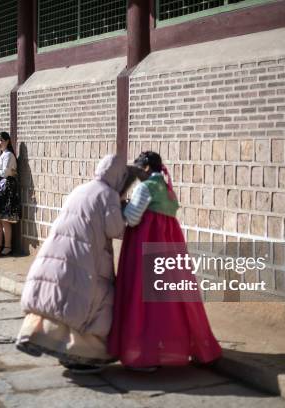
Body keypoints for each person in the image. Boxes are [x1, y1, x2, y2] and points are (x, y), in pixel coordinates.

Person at [108, 151, 222, 370]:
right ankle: (168, 348)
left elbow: (133, 218)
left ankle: (143, 354)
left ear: (147, 168)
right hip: (168, 249)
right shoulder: (168, 190)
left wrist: (121, 205)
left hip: (144, 247)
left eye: (138, 169)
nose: (137, 174)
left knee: (141, 299)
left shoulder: (146, 187)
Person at [16, 154, 128, 374]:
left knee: (58, 297)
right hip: (87, 255)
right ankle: (82, 355)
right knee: (92, 302)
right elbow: (115, 229)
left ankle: (34, 335)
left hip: (57, 250)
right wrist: (128, 213)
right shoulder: (109, 195)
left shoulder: (80, 189)